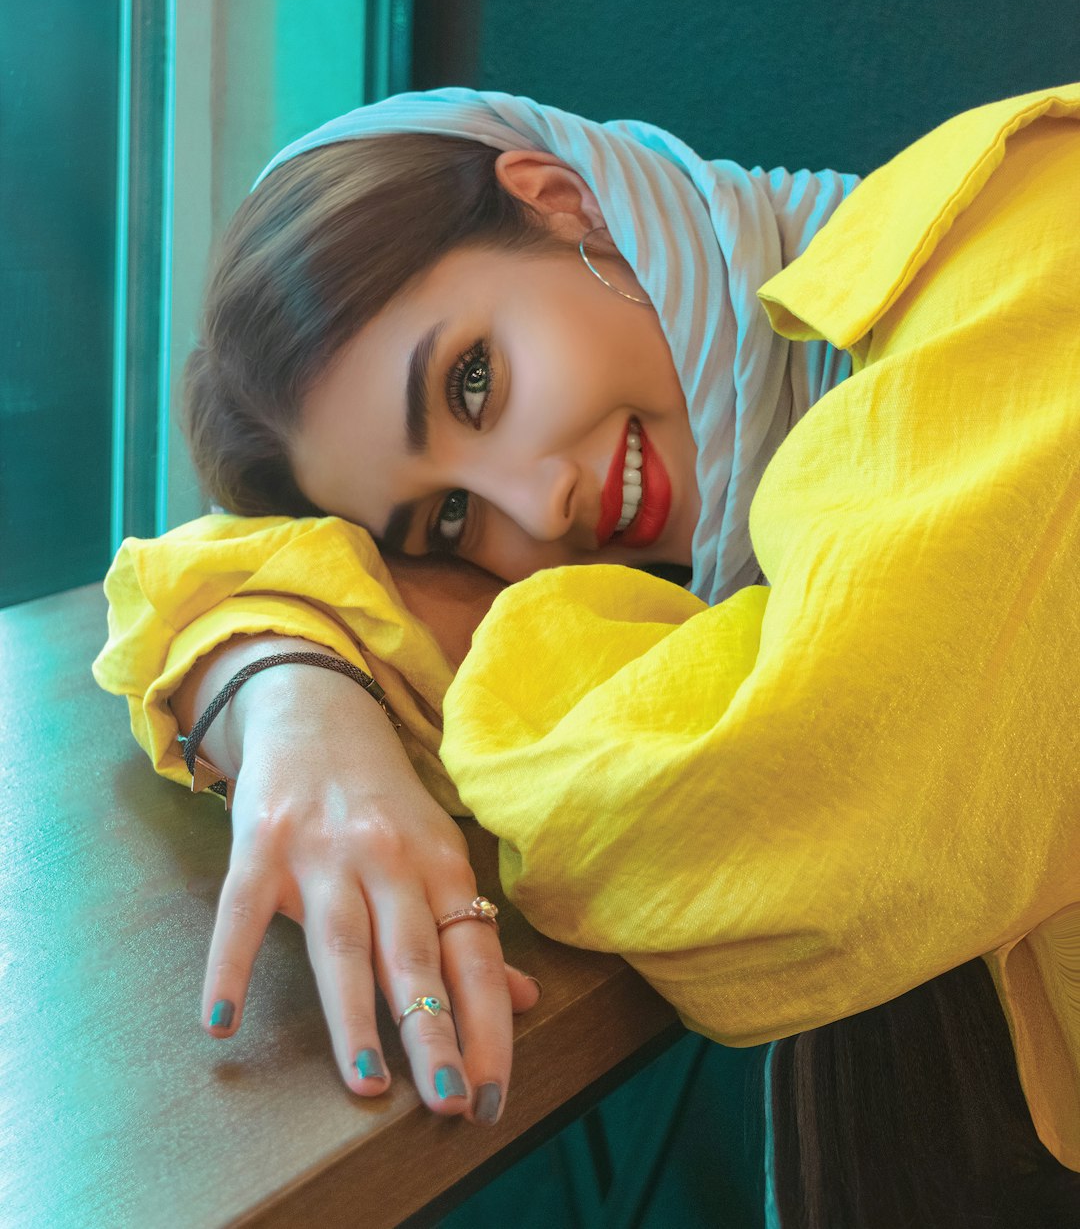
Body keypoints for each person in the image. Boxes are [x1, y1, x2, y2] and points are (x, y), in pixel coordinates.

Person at [94, 83, 1080, 1227]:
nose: (539, 502)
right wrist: (294, 706)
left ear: (564, 205)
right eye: (449, 525)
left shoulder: (1032, 226)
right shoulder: (805, 503)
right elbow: (207, 570)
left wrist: (437, 658)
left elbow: (703, 835)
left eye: (475, 383)